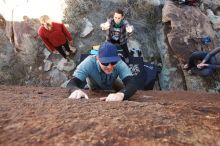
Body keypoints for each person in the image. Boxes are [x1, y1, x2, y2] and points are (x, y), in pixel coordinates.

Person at [67, 42, 137, 101]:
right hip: (94, 85)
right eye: (105, 62)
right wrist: (74, 90)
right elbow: (72, 82)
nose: (109, 66)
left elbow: (132, 83)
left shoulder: (119, 63)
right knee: (90, 89)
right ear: (97, 58)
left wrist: (121, 94)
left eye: (113, 62)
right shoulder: (88, 62)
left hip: (114, 82)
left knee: (124, 89)